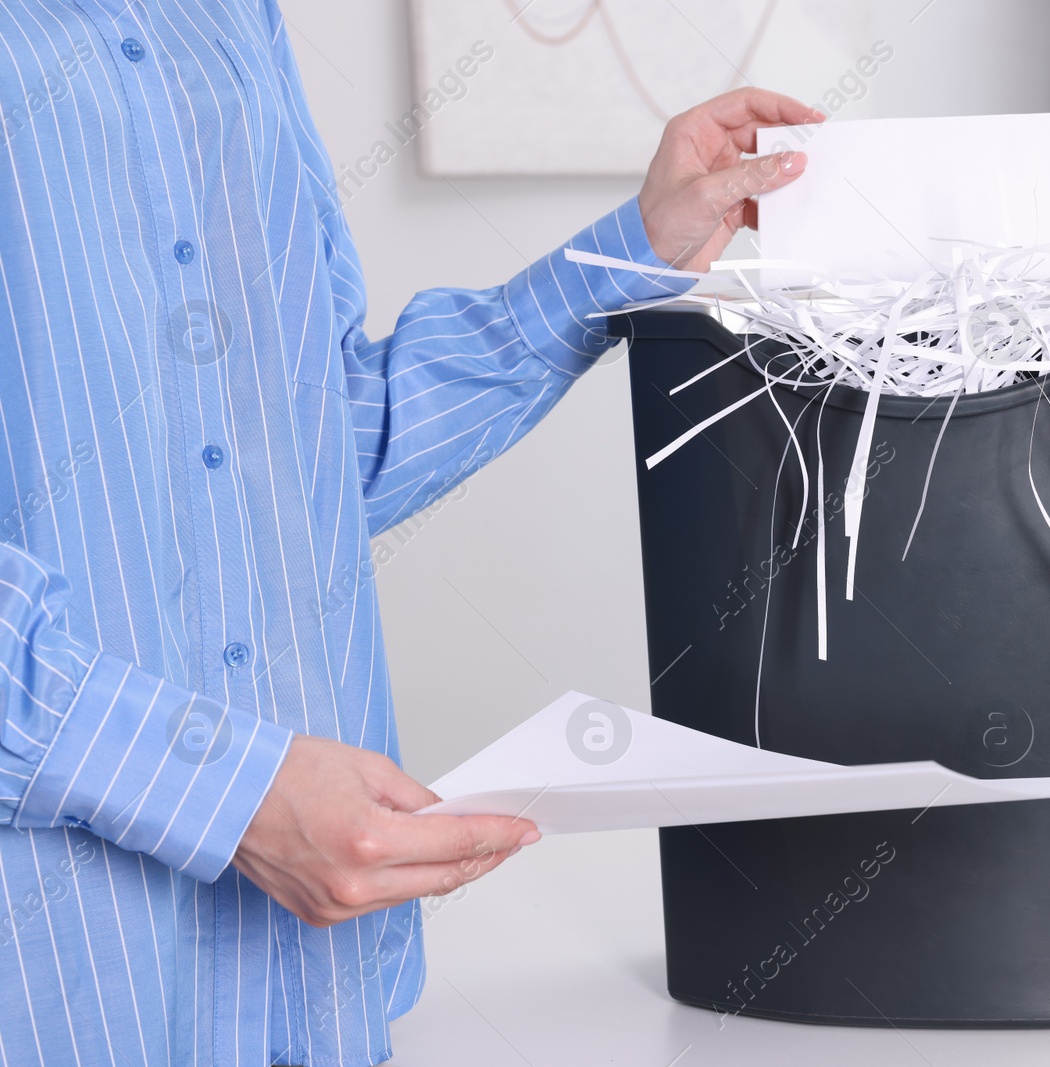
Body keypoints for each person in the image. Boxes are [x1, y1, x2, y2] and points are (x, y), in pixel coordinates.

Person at [0, 2, 816, 1064]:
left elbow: (312, 455)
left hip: (310, 980)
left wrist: (632, 253)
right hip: (62, 973)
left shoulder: (232, 18)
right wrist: (223, 784)